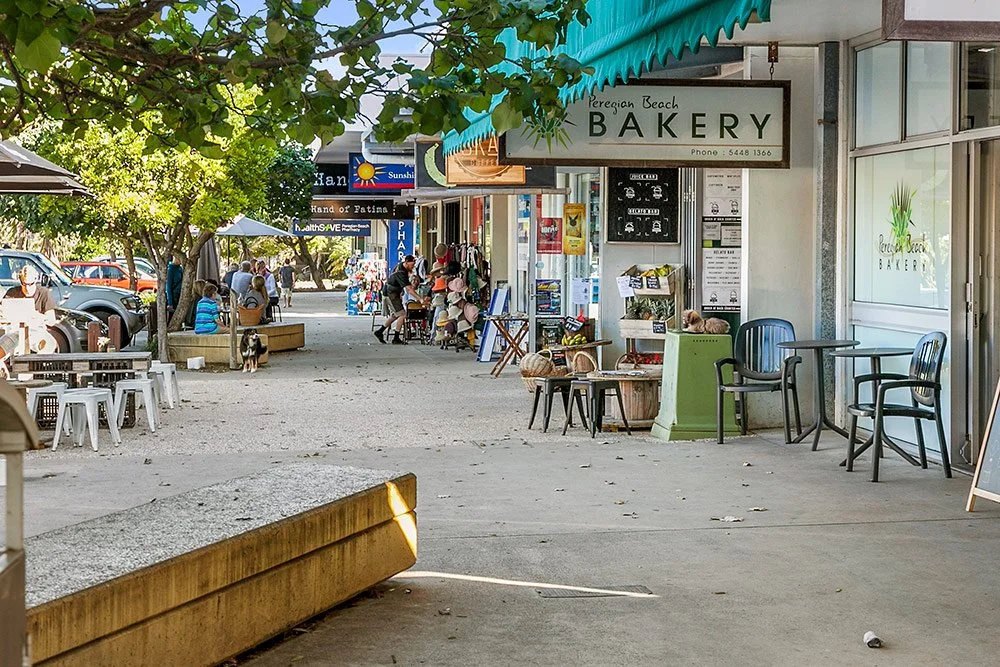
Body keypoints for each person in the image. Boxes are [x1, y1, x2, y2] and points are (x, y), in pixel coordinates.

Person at [373, 255, 414, 345]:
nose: (413, 266)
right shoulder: (401, 272)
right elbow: (409, 289)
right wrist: (420, 298)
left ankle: (379, 332)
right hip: (390, 294)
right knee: (402, 314)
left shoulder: (400, 267)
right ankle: (396, 337)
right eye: (412, 264)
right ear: (406, 262)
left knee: (395, 315)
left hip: (391, 293)